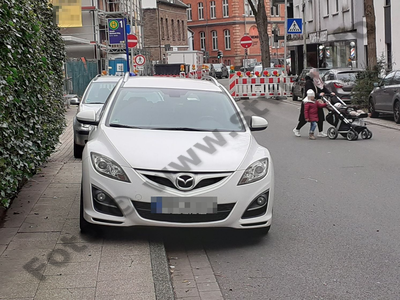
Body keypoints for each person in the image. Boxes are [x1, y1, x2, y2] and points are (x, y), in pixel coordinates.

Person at [293, 68, 334, 137]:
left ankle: (320, 132)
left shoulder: (318, 81)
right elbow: (309, 91)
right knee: (305, 118)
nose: (318, 74)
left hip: (317, 102)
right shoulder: (309, 82)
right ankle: (297, 129)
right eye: (316, 73)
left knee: (320, 116)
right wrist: (318, 94)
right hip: (308, 101)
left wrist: (330, 93)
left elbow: (323, 88)